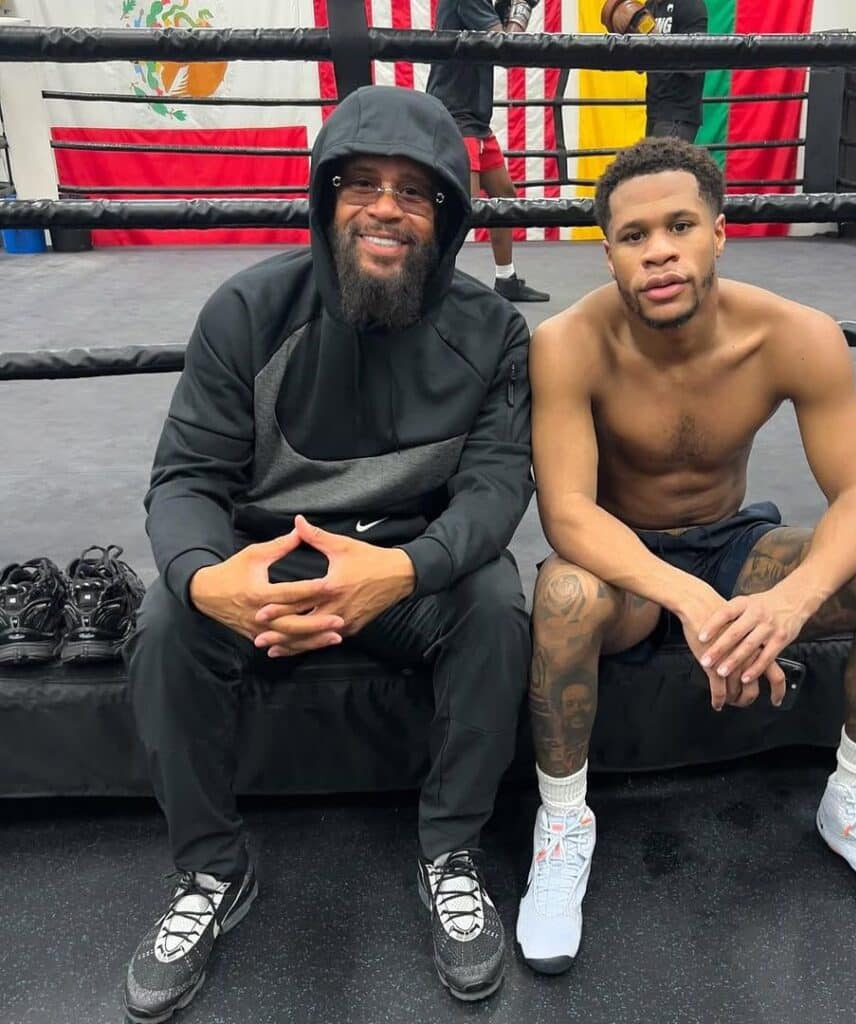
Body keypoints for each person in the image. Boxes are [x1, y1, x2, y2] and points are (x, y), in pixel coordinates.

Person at [121, 85, 533, 1020]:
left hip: (404, 569)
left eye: (417, 191)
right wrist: (207, 577)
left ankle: (449, 853)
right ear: (325, 196)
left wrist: (407, 567)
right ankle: (212, 872)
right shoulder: (248, 311)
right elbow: (185, 476)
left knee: (497, 607)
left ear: (449, 216)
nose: (386, 206)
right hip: (270, 564)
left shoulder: (494, 333)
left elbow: (499, 487)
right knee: (163, 619)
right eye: (363, 183)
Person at [515, 136, 856, 975]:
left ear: (719, 231)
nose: (659, 251)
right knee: (562, 598)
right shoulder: (566, 342)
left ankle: (854, 802)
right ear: (608, 255)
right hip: (623, 566)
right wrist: (685, 597)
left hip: (738, 547)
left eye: (679, 226)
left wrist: (787, 601)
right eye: (634, 236)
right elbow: (565, 512)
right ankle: (562, 825)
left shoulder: (798, 335)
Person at [426, 0, 550, 303]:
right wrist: (521, 8)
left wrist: (511, 8)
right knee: (462, 207)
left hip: (476, 120)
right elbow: (504, 48)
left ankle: (506, 278)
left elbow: (498, 38)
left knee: (504, 196)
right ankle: (428, 284)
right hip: (455, 116)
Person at [600, 0, 709, 141]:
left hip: (678, 111)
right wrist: (628, 38)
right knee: (652, 162)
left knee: (664, 162)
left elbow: (695, 65)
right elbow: (641, 66)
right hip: (654, 111)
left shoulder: (689, 4)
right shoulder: (650, 5)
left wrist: (654, 35)